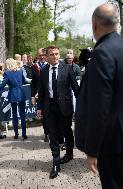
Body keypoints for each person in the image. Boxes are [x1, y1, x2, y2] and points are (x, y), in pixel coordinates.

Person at [75, 4, 123, 189]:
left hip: (111, 139)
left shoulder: (102, 53)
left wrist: (92, 149)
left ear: (95, 24)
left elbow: (100, 106)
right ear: (117, 23)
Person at [36, 45, 79, 179]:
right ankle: (55, 163)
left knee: (67, 131)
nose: (55, 56)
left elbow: (76, 88)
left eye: (57, 54)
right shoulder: (43, 71)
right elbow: (42, 91)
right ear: (47, 57)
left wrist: (83, 106)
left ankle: (69, 154)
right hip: (50, 107)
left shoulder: (67, 68)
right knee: (52, 134)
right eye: (52, 54)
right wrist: (39, 107)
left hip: (65, 107)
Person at [0, 58, 27, 140]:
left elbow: (3, 84)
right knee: (22, 114)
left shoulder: (7, 73)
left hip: (13, 93)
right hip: (21, 92)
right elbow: (23, 80)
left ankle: (16, 134)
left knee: (14, 114)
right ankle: (24, 134)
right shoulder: (20, 71)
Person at [31, 48, 49, 142]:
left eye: (43, 55)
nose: (42, 57)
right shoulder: (35, 66)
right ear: (37, 56)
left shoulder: (50, 65)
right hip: (39, 95)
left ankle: (52, 132)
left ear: (46, 56)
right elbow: (33, 83)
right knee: (42, 115)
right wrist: (32, 96)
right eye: (40, 56)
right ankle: (46, 133)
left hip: (49, 94)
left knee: (51, 114)